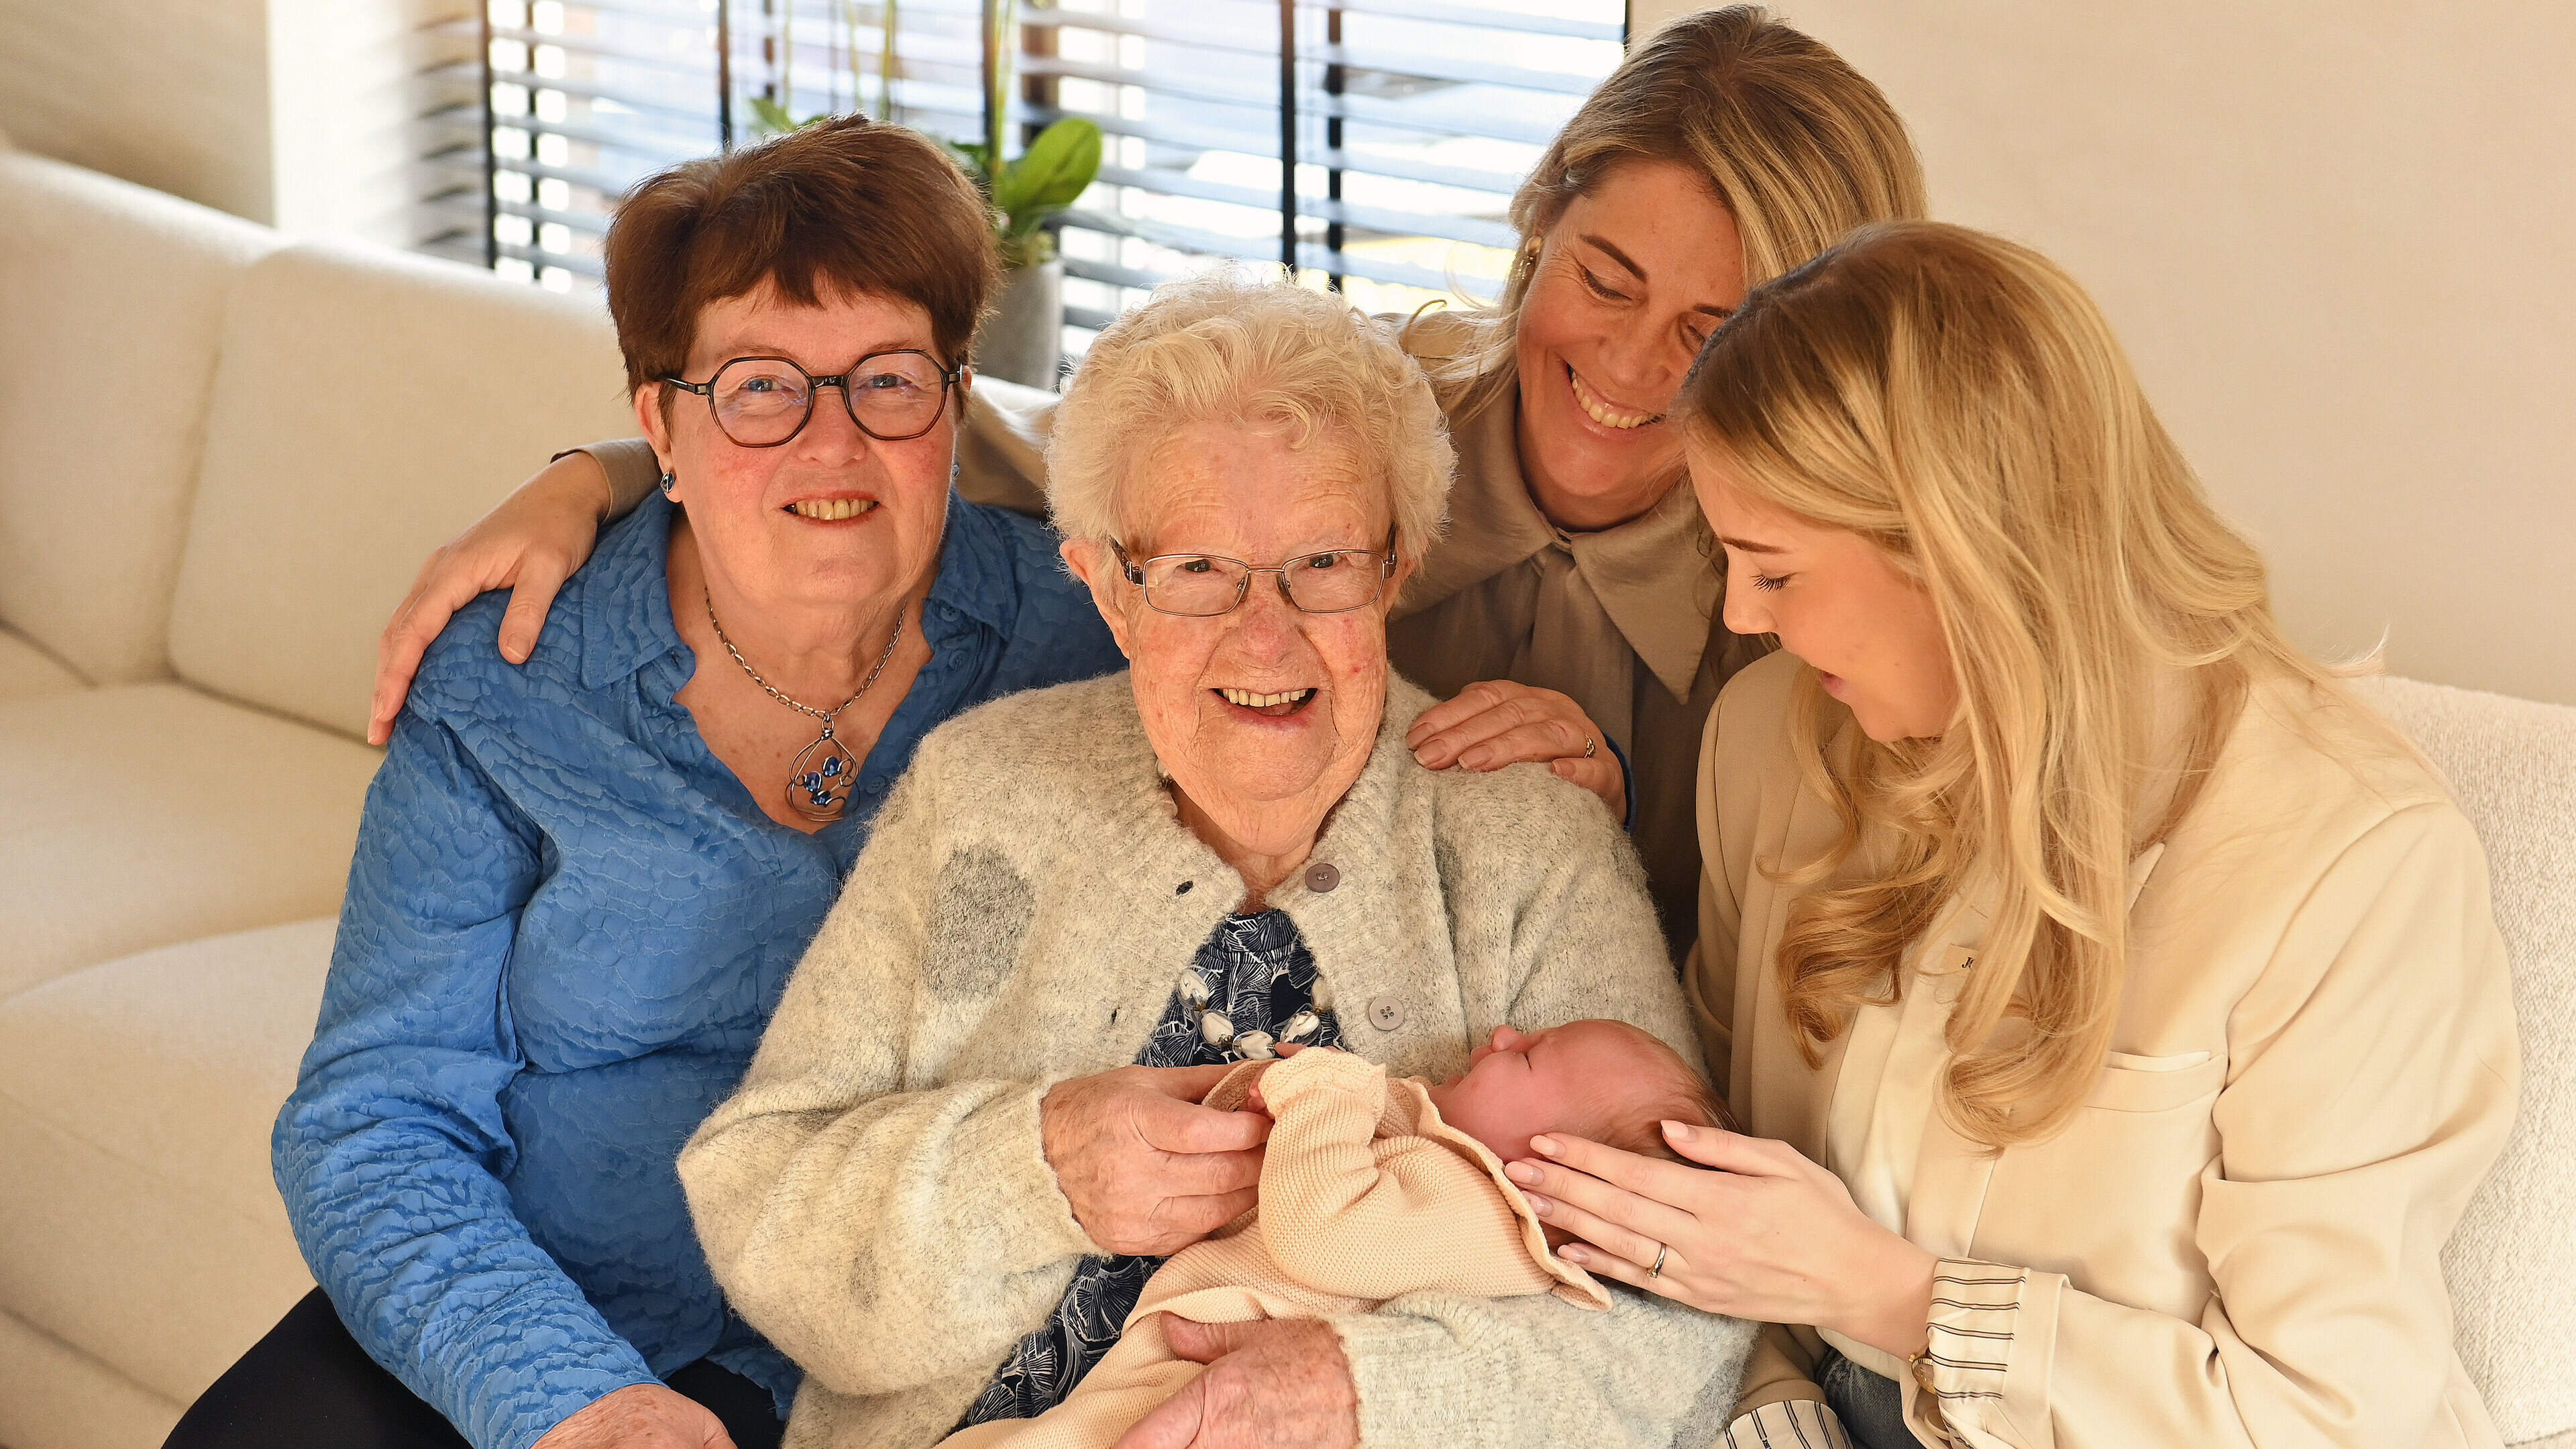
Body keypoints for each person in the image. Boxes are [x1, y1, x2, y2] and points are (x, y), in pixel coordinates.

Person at [359, 5, 1931, 953]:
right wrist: (621, 469)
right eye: (1602, 277)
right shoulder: (1337, 413)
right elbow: (991, 448)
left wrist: (1619, 819)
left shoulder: (1822, 605)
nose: (1637, 366)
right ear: (1537, 225)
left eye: (1713, 334)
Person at [165, 118, 1126, 1449]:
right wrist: (579, 1401)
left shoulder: (1090, 647)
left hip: (892, 1348)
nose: (829, 442)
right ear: (657, 428)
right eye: (757, 387)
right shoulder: (511, 675)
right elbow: (374, 1118)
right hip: (529, 1298)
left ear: (956, 406)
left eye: (888, 381)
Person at [674, 275, 1755, 1449]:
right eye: (1197, 572)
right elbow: (761, 1197)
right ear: (1105, 588)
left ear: (1400, 568)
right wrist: (1032, 1170)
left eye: (1325, 564)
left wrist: (1365, 1392)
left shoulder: (1523, 845)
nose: (1266, 634)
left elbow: (1686, 1315)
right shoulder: (983, 794)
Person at [1495, 223, 2520, 1448]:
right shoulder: (1771, 741)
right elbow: (1714, 1171)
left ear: (1956, 553)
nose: (1739, 616)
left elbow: (2335, 1419)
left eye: (1773, 568)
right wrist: (1771, 1394)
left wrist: (1885, 1296)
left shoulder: (2351, 864)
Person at [938, 1023, 1729, 1449]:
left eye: (1524, 1060)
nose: (1501, 1033)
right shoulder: (1453, 1177)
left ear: (1552, 1175)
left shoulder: (1484, 1216)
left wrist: (1327, 1089)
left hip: (1191, 1398)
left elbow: (1322, 1231)